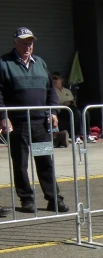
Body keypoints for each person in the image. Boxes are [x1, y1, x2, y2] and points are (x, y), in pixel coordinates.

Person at [0, 27, 68, 213]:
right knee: (21, 164)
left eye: (30, 42)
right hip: (18, 124)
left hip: (40, 124)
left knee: (45, 161)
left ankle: (54, 199)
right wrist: (3, 117)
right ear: (15, 43)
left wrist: (53, 112)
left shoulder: (40, 63)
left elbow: (50, 91)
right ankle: (27, 200)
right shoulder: (4, 63)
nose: (27, 45)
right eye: (23, 42)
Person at [51, 72, 86, 144]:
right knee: (76, 113)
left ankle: (87, 134)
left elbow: (73, 101)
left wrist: (71, 102)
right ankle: (76, 136)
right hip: (60, 110)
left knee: (84, 112)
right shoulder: (52, 91)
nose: (53, 80)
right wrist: (63, 104)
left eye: (56, 78)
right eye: (52, 78)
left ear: (61, 80)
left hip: (70, 108)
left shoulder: (67, 91)